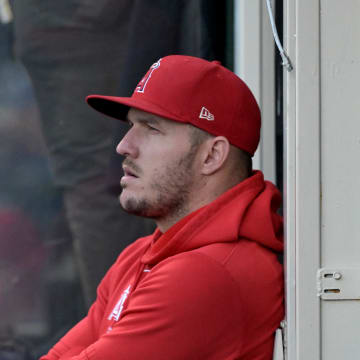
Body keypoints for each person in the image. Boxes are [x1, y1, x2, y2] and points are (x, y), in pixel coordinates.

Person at [40, 55, 284, 360]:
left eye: (152, 128)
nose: (124, 145)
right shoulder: (140, 256)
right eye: (131, 125)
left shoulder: (207, 274)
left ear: (212, 156)